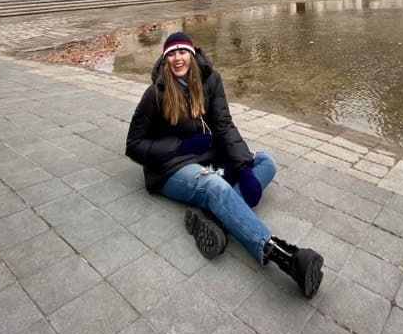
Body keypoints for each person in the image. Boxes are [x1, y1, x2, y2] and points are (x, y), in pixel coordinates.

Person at [125, 32, 324, 298]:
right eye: (170, 54)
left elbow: (224, 125)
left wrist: (242, 167)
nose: (177, 58)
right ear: (165, 60)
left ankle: (211, 219)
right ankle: (283, 255)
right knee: (213, 185)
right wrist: (180, 146)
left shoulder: (211, 80)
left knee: (266, 162)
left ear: (192, 54)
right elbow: (133, 145)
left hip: (209, 157)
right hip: (170, 168)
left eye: (182, 52)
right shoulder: (155, 93)